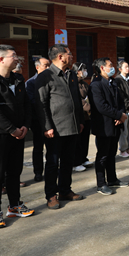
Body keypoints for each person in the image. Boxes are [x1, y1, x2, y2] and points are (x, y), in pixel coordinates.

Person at [0, 45, 34, 229]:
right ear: (1, 59)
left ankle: (15, 205)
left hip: (18, 133)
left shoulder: (18, 79)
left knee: (14, 172)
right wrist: (12, 129)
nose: (17, 58)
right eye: (13, 56)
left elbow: (27, 104)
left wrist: (25, 126)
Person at [35, 44, 85, 210]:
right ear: (60, 57)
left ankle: (65, 190)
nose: (71, 56)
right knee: (52, 163)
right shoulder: (45, 76)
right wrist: (47, 126)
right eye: (69, 54)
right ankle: (51, 195)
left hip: (72, 126)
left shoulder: (71, 74)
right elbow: (41, 104)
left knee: (68, 161)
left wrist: (80, 121)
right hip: (55, 129)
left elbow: (77, 101)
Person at [89, 57, 129, 195]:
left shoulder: (113, 82)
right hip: (104, 125)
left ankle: (112, 179)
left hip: (116, 124)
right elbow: (101, 106)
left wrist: (121, 114)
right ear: (102, 68)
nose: (112, 67)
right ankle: (101, 184)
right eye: (110, 65)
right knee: (103, 155)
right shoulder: (96, 84)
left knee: (112, 154)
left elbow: (120, 101)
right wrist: (118, 115)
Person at [25, 56, 50, 182]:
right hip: (37, 120)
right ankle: (38, 172)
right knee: (38, 147)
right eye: (46, 66)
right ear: (37, 67)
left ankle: (51, 170)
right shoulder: (30, 83)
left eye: (49, 65)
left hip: (52, 119)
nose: (48, 68)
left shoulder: (52, 80)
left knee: (52, 147)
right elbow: (33, 102)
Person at [72, 62, 94, 172]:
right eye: (83, 70)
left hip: (87, 117)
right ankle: (76, 162)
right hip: (78, 116)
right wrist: (88, 107)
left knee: (85, 139)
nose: (85, 72)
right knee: (78, 141)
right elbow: (79, 100)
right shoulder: (73, 83)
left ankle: (84, 158)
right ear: (78, 71)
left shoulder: (85, 84)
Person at [115, 60, 129, 158]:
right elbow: (122, 96)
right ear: (120, 69)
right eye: (126, 67)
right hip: (124, 110)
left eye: (128, 67)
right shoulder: (118, 80)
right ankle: (123, 149)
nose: (128, 69)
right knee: (124, 131)